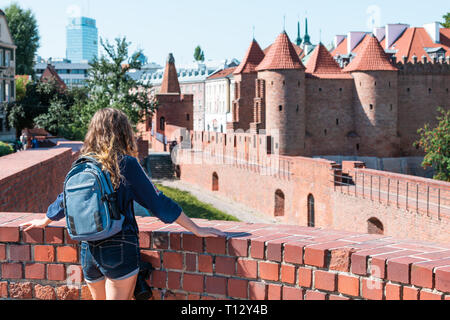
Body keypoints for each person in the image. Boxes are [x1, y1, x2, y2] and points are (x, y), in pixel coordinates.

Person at [20, 108, 226, 300]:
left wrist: (45, 219)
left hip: (88, 249)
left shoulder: (83, 163)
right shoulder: (125, 164)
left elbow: (64, 199)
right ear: (123, 132)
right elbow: (157, 202)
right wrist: (196, 228)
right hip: (119, 246)